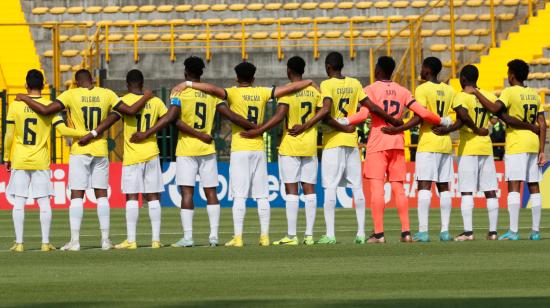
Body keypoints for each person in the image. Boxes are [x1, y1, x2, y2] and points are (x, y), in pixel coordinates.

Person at [172, 61, 313, 247]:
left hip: (239, 148)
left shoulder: (232, 92)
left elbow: (212, 89)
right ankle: (264, 236)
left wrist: (188, 84)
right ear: (253, 78)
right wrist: (309, 81)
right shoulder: (262, 92)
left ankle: (238, 237)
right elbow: (291, 87)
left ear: (236, 77)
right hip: (258, 148)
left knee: (239, 195)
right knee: (262, 195)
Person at [16, 69, 153, 251]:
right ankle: (105, 240)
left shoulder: (70, 94)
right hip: (100, 148)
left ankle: (75, 241)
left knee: (77, 195)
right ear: (93, 80)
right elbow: (130, 110)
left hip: (79, 149)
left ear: (76, 82)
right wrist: (146, 97)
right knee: (101, 194)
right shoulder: (106, 94)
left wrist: (25, 98)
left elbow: (46, 109)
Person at [133, 56, 254, 247]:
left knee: (187, 193)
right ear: (202, 72)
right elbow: (230, 115)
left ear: (185, 72)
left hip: (187, 149)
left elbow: (172, 118)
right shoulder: (211, 94)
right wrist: (253, 126)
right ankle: (213, 236)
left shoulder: (179, 92)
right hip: (207, 148)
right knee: (211, 192)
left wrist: (147, 133)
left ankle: (188, 237)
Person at [290, 52, 398, 244]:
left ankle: (330, 234)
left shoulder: (327, 84)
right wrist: (391, 119)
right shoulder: (355, 84)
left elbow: (325, 111)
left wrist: (305, 126)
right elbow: (371, 106)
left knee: (330, 187)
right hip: (351, 141)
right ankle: (361, 233)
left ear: (328, 67)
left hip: (333, 142)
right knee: (357, 187)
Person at [341, 56, 452, 243]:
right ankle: (406, 232)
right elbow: (423, 113)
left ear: (378, 69)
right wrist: (442, 120)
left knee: (377, 188)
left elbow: (363, 114)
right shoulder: (403, 91)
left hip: (378, 141)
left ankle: (379, 234)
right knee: (398, 188)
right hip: (398, 141)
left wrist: (345, 120)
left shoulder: (370, 89)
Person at [240, 56, 321, 245]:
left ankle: (292, 236)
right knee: (309, 190)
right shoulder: (314, 90)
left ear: (288, 70)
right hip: (309, 145)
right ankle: (309, 235)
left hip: (290, 144)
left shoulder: (287, 92)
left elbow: (279, 116)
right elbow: (321, 113)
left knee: (291, 189)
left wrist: (259, 130)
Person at [80, 70, 164, 249]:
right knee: (153, 196)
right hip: (152, 152)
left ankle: (131, 240)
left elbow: (110, 119)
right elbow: (167, 119)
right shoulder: (155, 101)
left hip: (133, 156)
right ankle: (156, 240)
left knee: (132, 197)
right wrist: (150, 132)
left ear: (127, 84)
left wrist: (93, 133)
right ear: (142, 82)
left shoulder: (123, 101)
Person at [6, 70, 89, 252]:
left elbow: (9, 135)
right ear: (43, 85)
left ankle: (19, 243)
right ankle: (45, 243)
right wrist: (87, 133)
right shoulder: (50, 106)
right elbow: (64, 131)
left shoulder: (15, 105)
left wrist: (6, 158)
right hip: (41, 160)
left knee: (19, 201)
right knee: (44, 202)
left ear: (26, 85)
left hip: (20, 159)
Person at [464, 59, 546, 240]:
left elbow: (494, 108)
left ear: (512, 75)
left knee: (514, 186)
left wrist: (476, 92)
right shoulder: (534, 94)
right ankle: (536, 232)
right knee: (534, 185)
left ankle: (514, 231)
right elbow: (542, 123)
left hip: (517, 144)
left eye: (508, 72)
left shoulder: (509, 92)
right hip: (533, 144)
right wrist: (542, 149)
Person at [434, 65, 501, 241]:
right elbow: (494, 118)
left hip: (469, 148)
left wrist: (448, 130)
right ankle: (493, 232)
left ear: (463, 79)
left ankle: (469, 232)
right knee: (490, 190)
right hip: (486, 148)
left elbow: (462, 118)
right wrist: (485, 127)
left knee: (466, 191)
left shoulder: (461, 96)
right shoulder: (488, 95)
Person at [393, 57, 456, 242]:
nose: (420, 70)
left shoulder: (422, 89)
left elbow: (420, 117)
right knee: (444, 187)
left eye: (422, 67)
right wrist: (447, 123)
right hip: (445, 142)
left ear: (427, 69)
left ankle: (423, 231)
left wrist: (399, 128)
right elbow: (453, 115)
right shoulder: (449, 89)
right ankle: (445, 231)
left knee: (424, 186)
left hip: (428, 143)